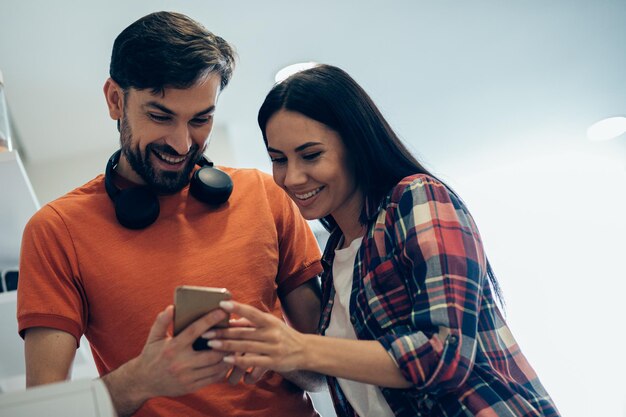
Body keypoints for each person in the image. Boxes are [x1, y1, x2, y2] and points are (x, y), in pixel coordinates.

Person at [204, 64, 561, 417]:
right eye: (278, 159)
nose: (292, 177)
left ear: (355, 144)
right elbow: (346, 373)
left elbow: (444, 354)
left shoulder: (416, 197)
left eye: (311, 155)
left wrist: (298, 347)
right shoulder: (336, 256)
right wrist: (265, 349)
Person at [17, 11, 325, 417]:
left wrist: (280, 350)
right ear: (115, 100)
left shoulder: (267, 195)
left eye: (201, 119)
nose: (181, 144)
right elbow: (45, 410)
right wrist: (143, 378)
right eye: (160, 116)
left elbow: (326, 372)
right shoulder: (56, 231)